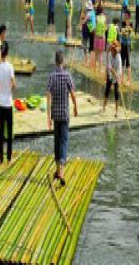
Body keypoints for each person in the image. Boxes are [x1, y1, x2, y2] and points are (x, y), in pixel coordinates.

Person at [46, 50, 78, 185]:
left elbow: (48, 96)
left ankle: (58, 171)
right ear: (63, 61)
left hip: (55, 114)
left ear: (55, 61)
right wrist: (76, 106)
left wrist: (48, 116)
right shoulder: (67, 76)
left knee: (57, 141)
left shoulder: (52, 77)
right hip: (65, 114)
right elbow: (72, 93)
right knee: (64, 142)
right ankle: (62, 174)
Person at [0, 41, 15, 164]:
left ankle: (1, 158)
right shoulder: (10, 67)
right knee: (10, 131)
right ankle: (9, 158)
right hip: (9, 103)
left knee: (1, 131)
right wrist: (10, 87)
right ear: (8, 53)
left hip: (1, 104)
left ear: (1, 53)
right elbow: (14, 83)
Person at [103, 42, 122, 117]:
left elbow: (119, 70)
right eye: (112, 49)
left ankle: (116, 110)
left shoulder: (118, 58)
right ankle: (104, 107)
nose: (112, 51)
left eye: (113, 49)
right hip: (111, 74)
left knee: (116, 92)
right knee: (107, 90)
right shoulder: (110, 54)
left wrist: (118, 77)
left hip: (117, 74)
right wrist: (114, 74)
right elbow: (110, 67)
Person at [120, 12, 133, 85]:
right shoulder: (122, 22)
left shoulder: (131, 23)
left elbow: (129, 32)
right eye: (125, 15)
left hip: (128, 44)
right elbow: (122, 32)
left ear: (129, 16)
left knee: (128, 63)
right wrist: (126, 30)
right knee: (122, 61)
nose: (125, 17)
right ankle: (121, 78)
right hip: (123, 44)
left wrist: (127, 29)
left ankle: (129, 80)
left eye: (126, 16)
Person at [93, 5, 107, 72]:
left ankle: (95, 68)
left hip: (97, 37)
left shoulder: (96, 18)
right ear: (102, 11)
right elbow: (106, 28)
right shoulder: (105, 18)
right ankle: (100, 68)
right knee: (100, 55)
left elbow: (95, 28)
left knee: (96, 54)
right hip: (102, 38)